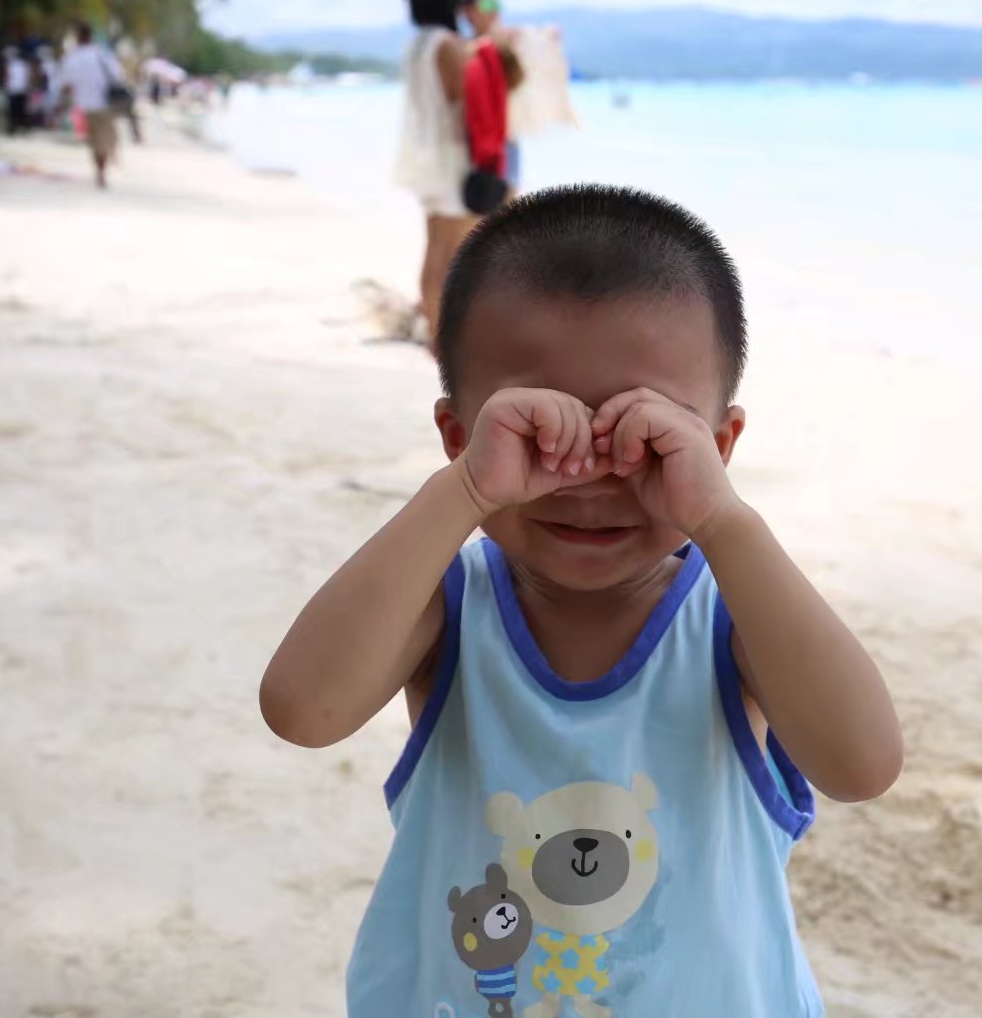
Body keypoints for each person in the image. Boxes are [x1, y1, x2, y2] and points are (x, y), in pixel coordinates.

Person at [260, 185, 903, 1014]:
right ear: (460, 435)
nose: (590, 477)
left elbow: (863, 764)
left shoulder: (738, 618)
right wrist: (459, 494)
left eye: (645, 437)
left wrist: (723, 522)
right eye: (535, 433)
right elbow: (302, 709)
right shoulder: (448, 608)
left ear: (719, 446)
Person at [394, 0, 473, 343]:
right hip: (451, 156)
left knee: (436, 246)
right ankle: (441, 339)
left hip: (424, 155)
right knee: (452, 251)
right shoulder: (446, 44)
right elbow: (464, 99)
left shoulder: (416, 46)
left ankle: (435, 329)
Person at [461, 0, 525, 193]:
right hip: (473, 139)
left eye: (496, 3)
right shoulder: (461, 47)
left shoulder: (507, 43)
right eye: (487, 3)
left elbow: (517, 83)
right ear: (469, 10)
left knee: (509, 209)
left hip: (505, 136)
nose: (494, 9)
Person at [53, 24, 125, 189]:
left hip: (84, 105)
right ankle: (102, 169)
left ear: (78, 37)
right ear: (91, 36)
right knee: (103, 139)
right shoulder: (103, 55)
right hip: (105, 103)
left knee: (94, 140)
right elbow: (118, 76)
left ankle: (99, 169)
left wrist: (62, 103)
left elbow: (64, 85)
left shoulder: (72, 57)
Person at [3, 46, 31, 134]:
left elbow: (7, 77)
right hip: (20, 90)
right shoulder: (23, 64)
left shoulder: (11, 65)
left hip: (14, 90)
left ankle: (14, 127)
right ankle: (20, 127)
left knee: (13, 110)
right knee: (19, 110)